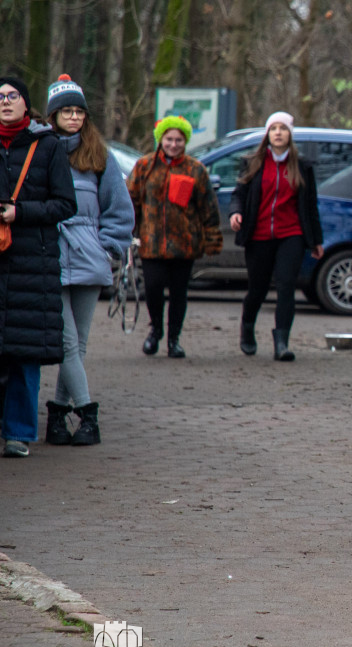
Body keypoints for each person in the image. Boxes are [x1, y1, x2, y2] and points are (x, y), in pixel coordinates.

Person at [44, 74, 133, 446]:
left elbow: (119, 206)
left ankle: (58, 419)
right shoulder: (41, 150)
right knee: (65, 343)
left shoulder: (99, 155)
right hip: (50, 258)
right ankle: (87, 413)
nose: (74, 117)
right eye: (67, 110)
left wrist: (109, 246)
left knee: (77, 344)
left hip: (89, 258)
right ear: (53, 115)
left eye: (80, 111)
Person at [0, 75, 77, 458]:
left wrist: (20, 212)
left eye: (12, 96)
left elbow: (66, 204)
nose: (4, 101)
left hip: (33, 265)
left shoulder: (47, 147)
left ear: (26, 105)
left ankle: (19, 433)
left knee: (24, 355)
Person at [228, 111, 323, 361]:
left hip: (291, 234)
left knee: (286, 287)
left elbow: (311, 205)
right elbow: (239, 193)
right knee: (257, 289)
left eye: (283, 128)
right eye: (273, 128)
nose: (278, 132)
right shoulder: (252, 162)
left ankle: (282, 342)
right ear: (267, 134)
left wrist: (316, 241)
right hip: (258, 235)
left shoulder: (302, 166)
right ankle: (247, 328)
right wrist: (236, 213)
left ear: (290, 134)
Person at [127, 115, 221, 358]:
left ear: (185, 140)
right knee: (153, 288)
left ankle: (174, 339)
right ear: (161, 139)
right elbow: (131, 201)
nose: (173, 144)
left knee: (179, 293)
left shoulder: (195, 169)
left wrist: (211, 238)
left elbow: (208, 207)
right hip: (152, 242)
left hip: (185, 245)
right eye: (169, 139)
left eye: (179, 140)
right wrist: (127, 231)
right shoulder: (144, 166)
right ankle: (155, 329)